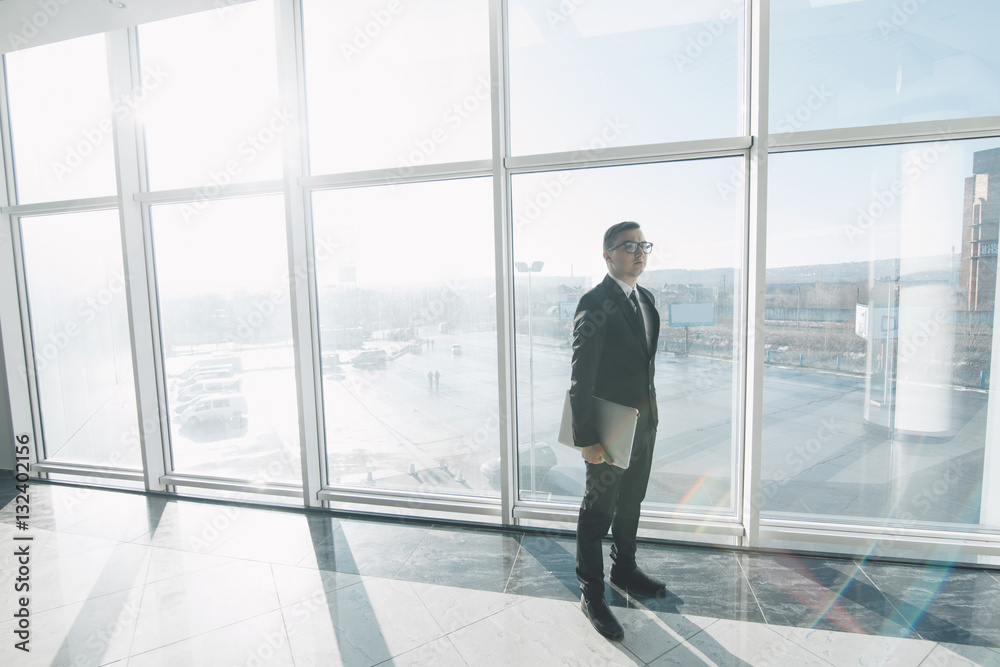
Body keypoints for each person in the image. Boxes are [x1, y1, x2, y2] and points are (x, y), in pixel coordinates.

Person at [569, 221, 665, 641]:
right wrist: (587, 439)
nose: (639, 252)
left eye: (643, 244)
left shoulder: (645, 298)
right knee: (597, 513)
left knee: (632, 501)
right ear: (607, 256)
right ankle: (592, 594)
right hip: (608, 431)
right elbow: (580, 379)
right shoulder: (594, 302)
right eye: (628, 246)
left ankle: (624, 569)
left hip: (644, 424)